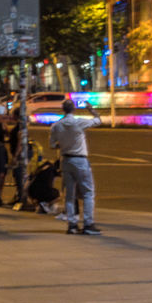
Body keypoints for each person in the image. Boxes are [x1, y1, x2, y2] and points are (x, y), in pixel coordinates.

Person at [49, 99, 102, 235]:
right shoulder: (78, 122)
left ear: (63, 110)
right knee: (88, 192)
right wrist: (91, 109)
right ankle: (88, 223)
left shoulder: (56, 126)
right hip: (80, 160)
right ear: (73, 109)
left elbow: (52, 145)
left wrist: (64, 144)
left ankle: (72, 224)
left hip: (66, 160)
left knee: (69, 194)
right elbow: (97, 121)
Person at [6, 107, 28, 205]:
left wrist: (15, 156)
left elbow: (20, 142)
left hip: (19, 155)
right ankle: (19, 196)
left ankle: (21, 197)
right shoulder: (21, 126)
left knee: (19, 176)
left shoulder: (20, 127)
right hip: (20, 154)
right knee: (17, 175)